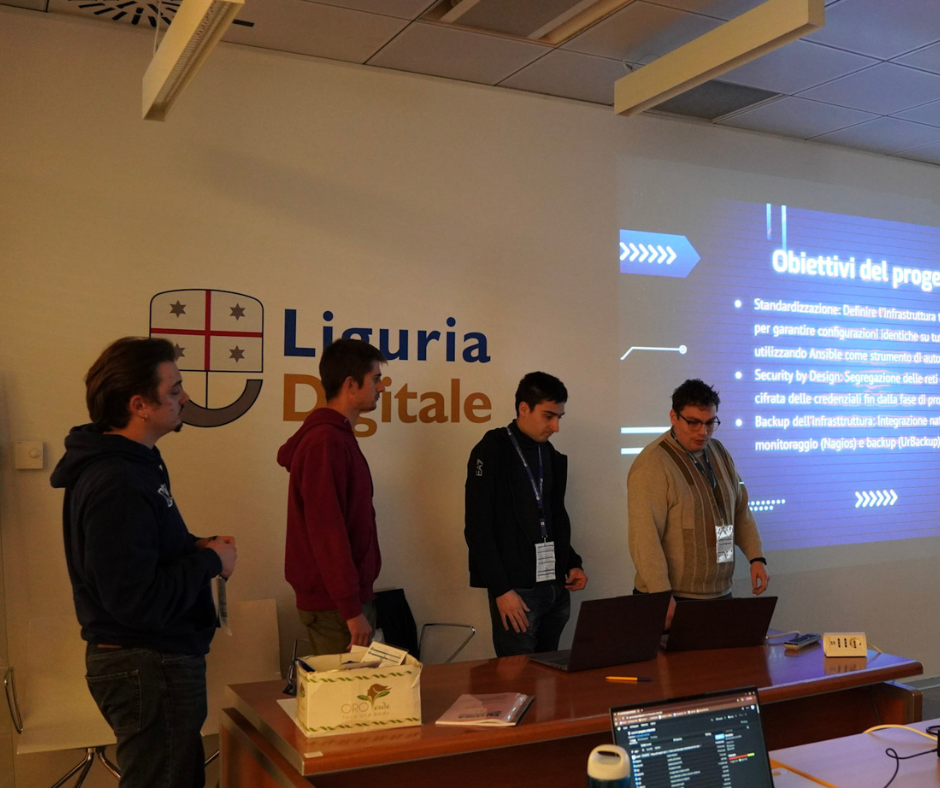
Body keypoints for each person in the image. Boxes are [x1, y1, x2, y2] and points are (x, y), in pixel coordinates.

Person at [51, 336, 237, 788]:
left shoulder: (136, 463)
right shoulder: (117, 480)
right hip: (149, 664)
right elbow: (136, 600)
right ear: (139, 405)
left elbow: (143, 550)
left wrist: (196, 545)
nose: (185, 398)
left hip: (154, 662)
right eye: (173, 390)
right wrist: (209, 562)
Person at [627, 378, 768, 627]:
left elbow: (739, 510)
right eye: (693, 422)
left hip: (720, 593)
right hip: (672, 599)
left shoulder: (720, 452)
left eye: (710, 423)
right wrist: (661, 595)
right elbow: (644, 537)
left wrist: (756, 557)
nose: (703, 432)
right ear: (674, 416)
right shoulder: (653, 464)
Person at [465, 371, 588, 656]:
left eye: (559, 417)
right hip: (516, 591)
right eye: (548, 416)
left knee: (549, 671)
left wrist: (572, 562)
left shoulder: (549, 453)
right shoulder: (492, 449)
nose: (556, 426)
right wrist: (501, 590)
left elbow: (554, 516)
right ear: (524, 408)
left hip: (555, 586)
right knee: (516, 674)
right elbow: (477, 527)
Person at [278, 338, 386, 655]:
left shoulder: (335, 436)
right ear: (350, 384)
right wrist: (351, 609)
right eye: (376, 379)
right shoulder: (325, 442)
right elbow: (327, 530)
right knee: (346, 688)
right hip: (336, 608)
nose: (382, 388)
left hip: (343, 602)